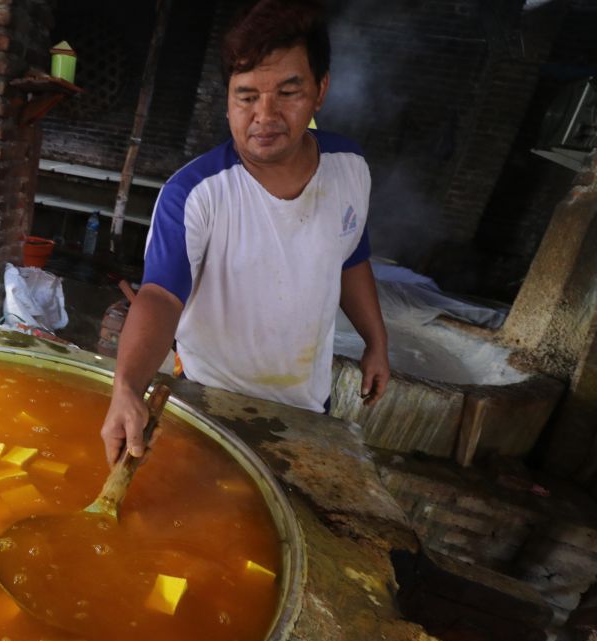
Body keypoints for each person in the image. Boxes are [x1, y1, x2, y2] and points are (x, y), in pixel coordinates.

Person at [100, 0, 389, 465]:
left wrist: (377, 343)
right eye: (247, 95)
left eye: (288, 93)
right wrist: (127, 387)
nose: (265, 115)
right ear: (229, 99)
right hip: (205, 406)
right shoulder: (193, 194)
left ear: (320, 90)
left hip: (306, 410)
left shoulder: (350, 169)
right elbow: (160, 296)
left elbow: (352, 256)